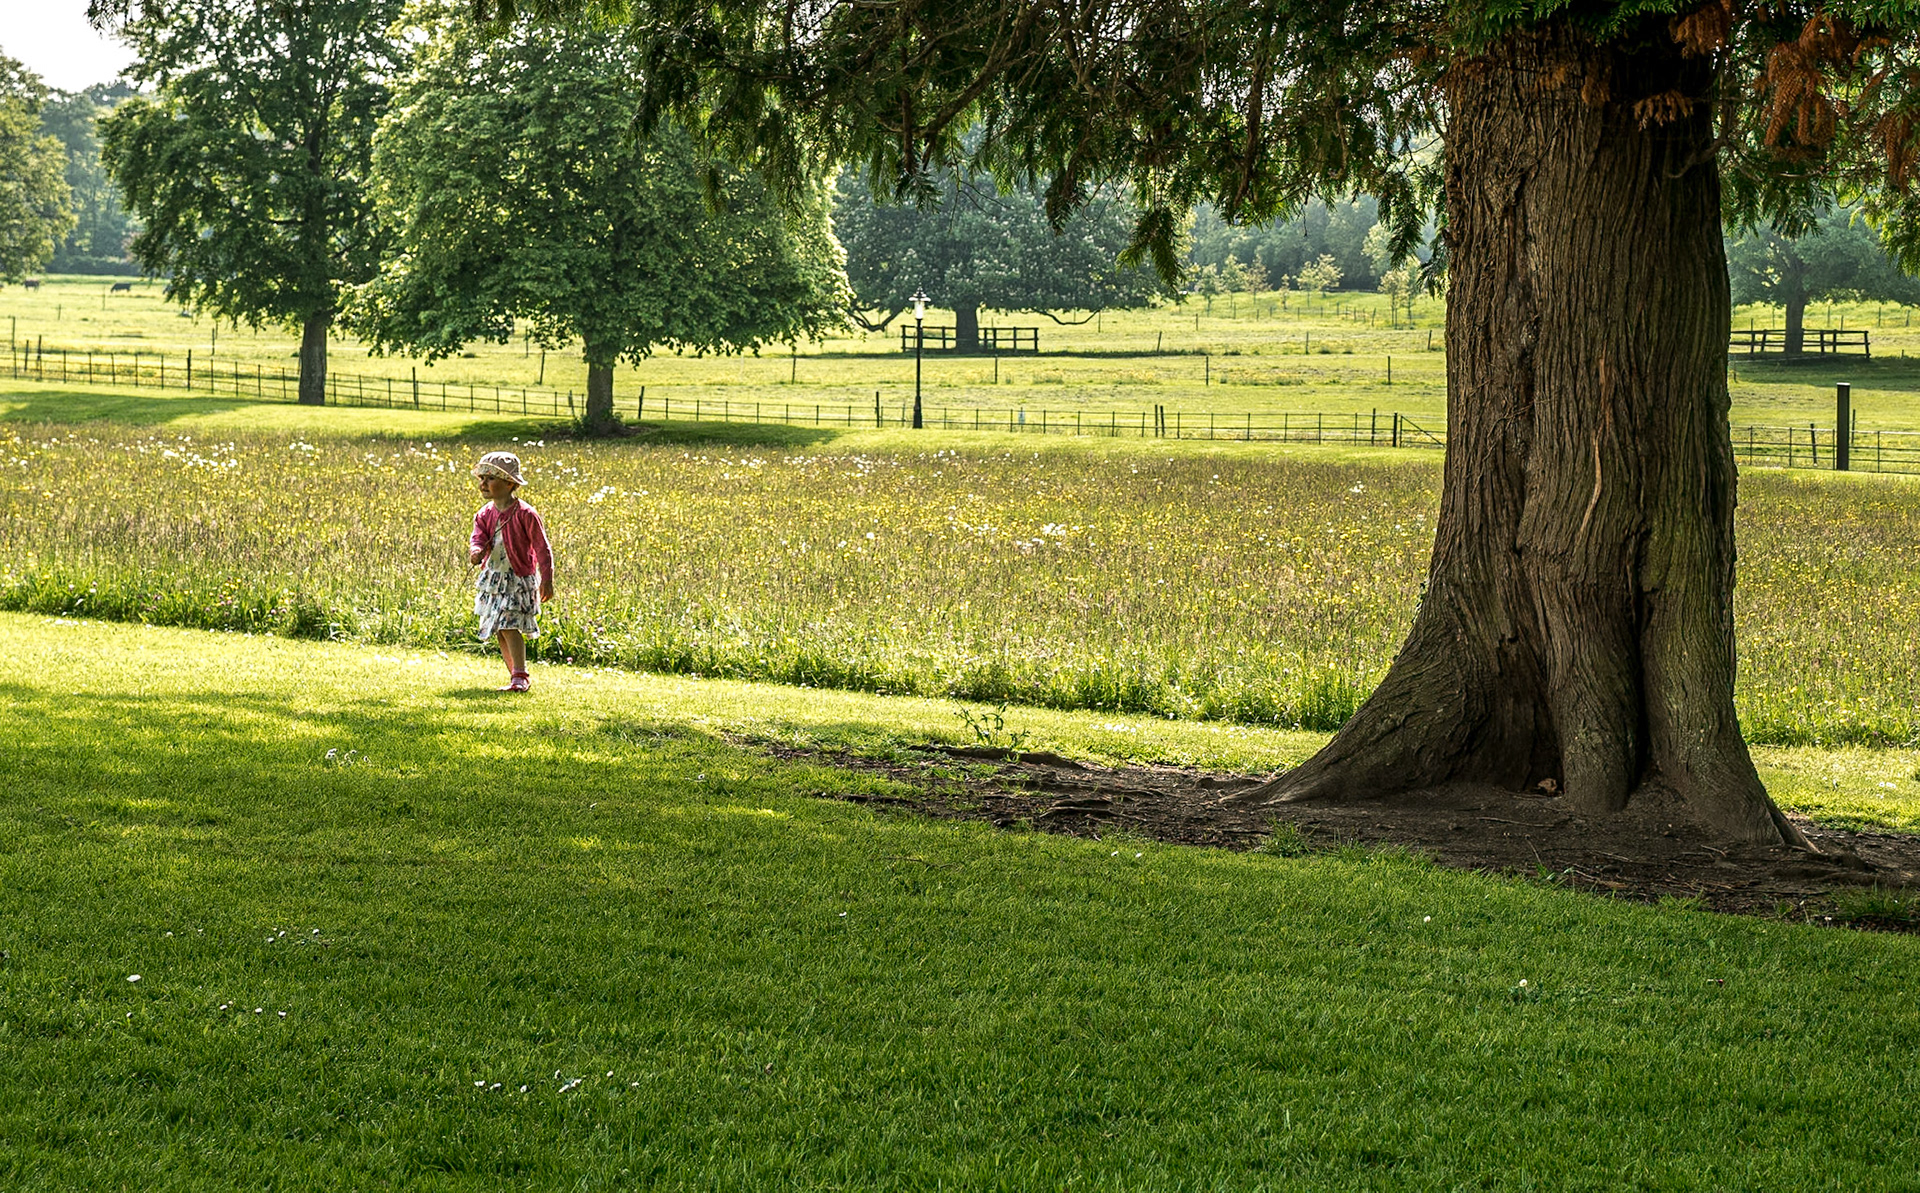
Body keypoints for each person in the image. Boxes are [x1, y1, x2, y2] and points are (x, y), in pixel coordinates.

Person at [468, 451, 554, 691]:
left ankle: (520, 676)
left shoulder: (526, 514)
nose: (483, 484)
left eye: (490, 479)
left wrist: (547, 579)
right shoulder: (485, 513)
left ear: (509, 483)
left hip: (517, 578)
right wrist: (476, 551)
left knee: (508, 623)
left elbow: (542, 547)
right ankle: (515, 675)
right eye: (482, 479)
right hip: (494, 578)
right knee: (499, 627)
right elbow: (478, 537)